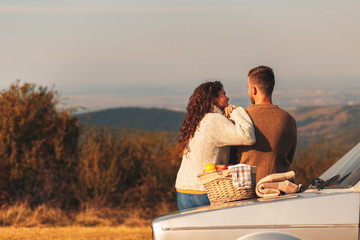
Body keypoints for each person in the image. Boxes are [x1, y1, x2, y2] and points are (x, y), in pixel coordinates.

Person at [175, 81, 256, 210]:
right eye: (223, 94)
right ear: (213, 99)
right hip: (203, 190)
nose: (227, 98)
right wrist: (236, 112)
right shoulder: (213, 120)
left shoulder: (197, 120)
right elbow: (247, 137)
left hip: (183, 190)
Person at [236, 66, 297, 182]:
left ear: (253, 90)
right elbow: (289, 157)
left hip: (247, 188)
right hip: (280, 188)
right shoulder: (289, 119)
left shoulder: (242, 117)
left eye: (248, 88)